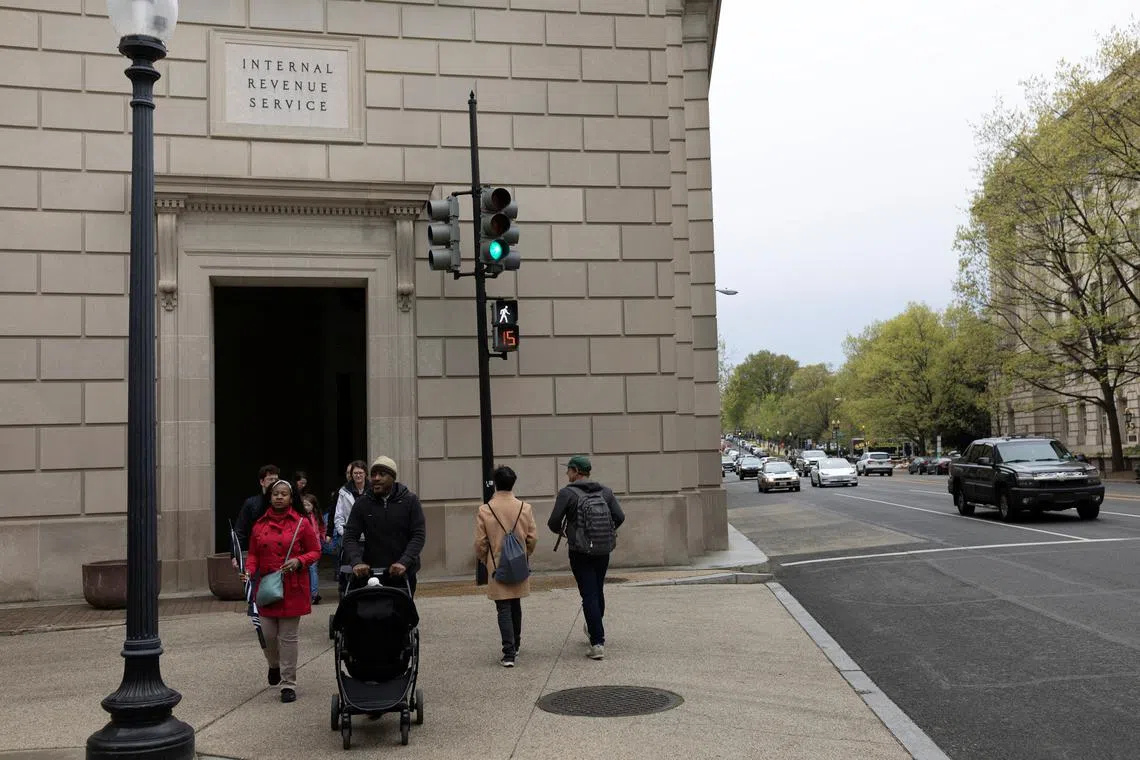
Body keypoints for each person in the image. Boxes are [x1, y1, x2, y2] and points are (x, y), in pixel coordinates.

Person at [239, 479, 321, 703]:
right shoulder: (259, 525)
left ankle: (288, 683)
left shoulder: (301, 524)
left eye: (284, 494)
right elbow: (254, 554)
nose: (279, 497)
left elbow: (315, 551)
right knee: (267, 635)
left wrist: (299, 561)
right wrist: (249, 570)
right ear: (270, 496)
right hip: (266, 587)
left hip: (293, 586)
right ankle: (273, 665)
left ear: (291, 497)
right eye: (276, 493)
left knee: (288, 638)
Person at [547, 455, 625, 661]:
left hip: (579, 550)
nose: (566, 474)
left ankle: (597, 641)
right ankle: (594, 627)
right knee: (597, 589)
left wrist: (569, 533)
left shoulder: (567, 493)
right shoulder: (605, 492)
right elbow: (620, 516)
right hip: (603, 548)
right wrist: (604, 531)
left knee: (588, 593)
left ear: (575, 471)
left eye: (568, 470)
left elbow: (553, 522)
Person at [474, 466, 537, 668]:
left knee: (503, 607)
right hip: (519, 561)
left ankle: (508, 652)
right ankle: (516, 644)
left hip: (496, 563)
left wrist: (486, 560)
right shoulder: (524, 507)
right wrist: (525, 554)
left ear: (496, 483)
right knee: (516, 603)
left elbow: (480, 543)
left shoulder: (486, 509)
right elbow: (532, 538)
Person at [343, 456, 426, 596]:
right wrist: (356, 561)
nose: (376, 478)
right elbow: (350, 536)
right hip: (371, 573)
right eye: (374, 474)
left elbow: (418, 535)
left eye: (382, 474)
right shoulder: (363, 503)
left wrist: (404, 562)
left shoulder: (410, 501)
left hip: (402, 572)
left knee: (403, 614)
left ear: (392, 478)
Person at [232, 464, 280, 570]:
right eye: (270, 479)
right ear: (262, 482)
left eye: (276, 479)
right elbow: (240, 530)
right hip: (257, 554)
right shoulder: (251, 503)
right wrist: (235, 555)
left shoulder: (284, 502)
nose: (274, 482)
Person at [332, 460, 368, 590]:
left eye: (360, 473)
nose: (358, 476)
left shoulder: (372, 490)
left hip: (370, 539)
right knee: (348, 568)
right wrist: (344, 533)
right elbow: (338, 516)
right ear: (351, 475)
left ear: (365, 474)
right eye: (355, 473)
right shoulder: (343, 491)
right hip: (351, 539)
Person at [300, 493, 325, 605]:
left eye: (308, 505)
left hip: (315, 548)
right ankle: (305, 594)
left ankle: (314, 594)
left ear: (313, 506)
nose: (305, 507)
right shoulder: (300, 517)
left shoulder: (316, 517)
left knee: (313, 570)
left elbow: (322, 528)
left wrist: (323, 538)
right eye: (303, 505)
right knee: (304, 571)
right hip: (302, 548)